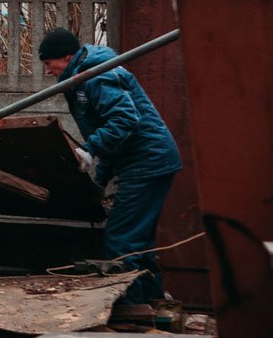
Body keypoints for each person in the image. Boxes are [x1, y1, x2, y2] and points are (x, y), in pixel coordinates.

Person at [39, 27, 181, 307]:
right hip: (149, 159)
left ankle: (131, 309)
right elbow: (115, 137)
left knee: (122, 240)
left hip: (147, 161)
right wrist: (98, 181)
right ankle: (152, 303)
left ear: (66, 57)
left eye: (48, 63)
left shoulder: (96, 74)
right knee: (140, 241)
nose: (47, 71)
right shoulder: (85, 75)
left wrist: (89, 150)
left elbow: (125, 119)